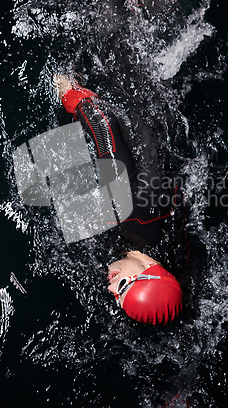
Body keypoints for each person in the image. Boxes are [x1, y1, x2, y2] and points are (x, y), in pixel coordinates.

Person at [54, 74, 183, 325]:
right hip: (130, 91)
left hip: (162, 120)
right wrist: (69, 92)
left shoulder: (173, 260)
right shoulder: (128, 214)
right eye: (122, 286)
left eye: (118, 297)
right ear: (148, 268)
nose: (111, 289)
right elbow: (104, 128)